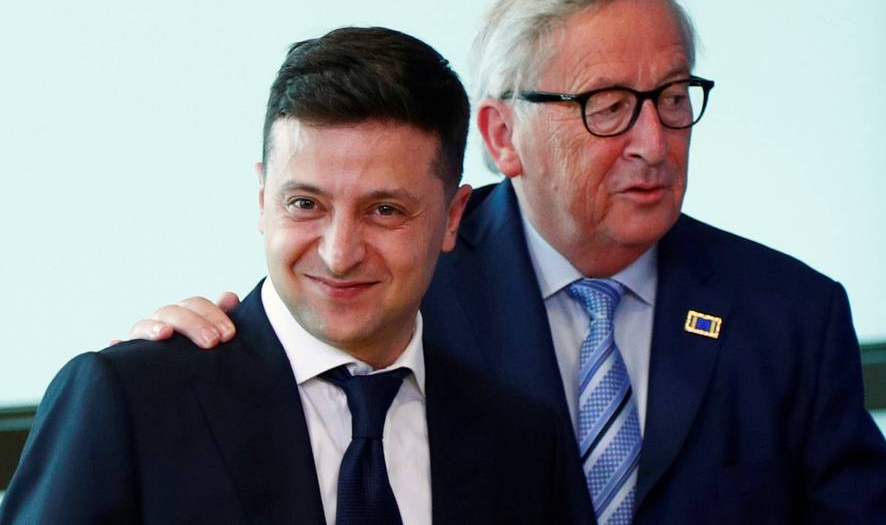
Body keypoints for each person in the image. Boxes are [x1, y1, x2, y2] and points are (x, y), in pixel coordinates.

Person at [132, 0, 886, 524]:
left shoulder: (791, 315)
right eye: (610, 105)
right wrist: (179, 358)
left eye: (671, 97)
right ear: (502, 134)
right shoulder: (397, 282)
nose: (654, 142)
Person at [0, 27, 588, 525]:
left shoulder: (523, 440)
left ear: (452, 218)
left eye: (385, 211)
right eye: (305, 204)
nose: (338, 254)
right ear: (262, 198)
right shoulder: (130, 401)